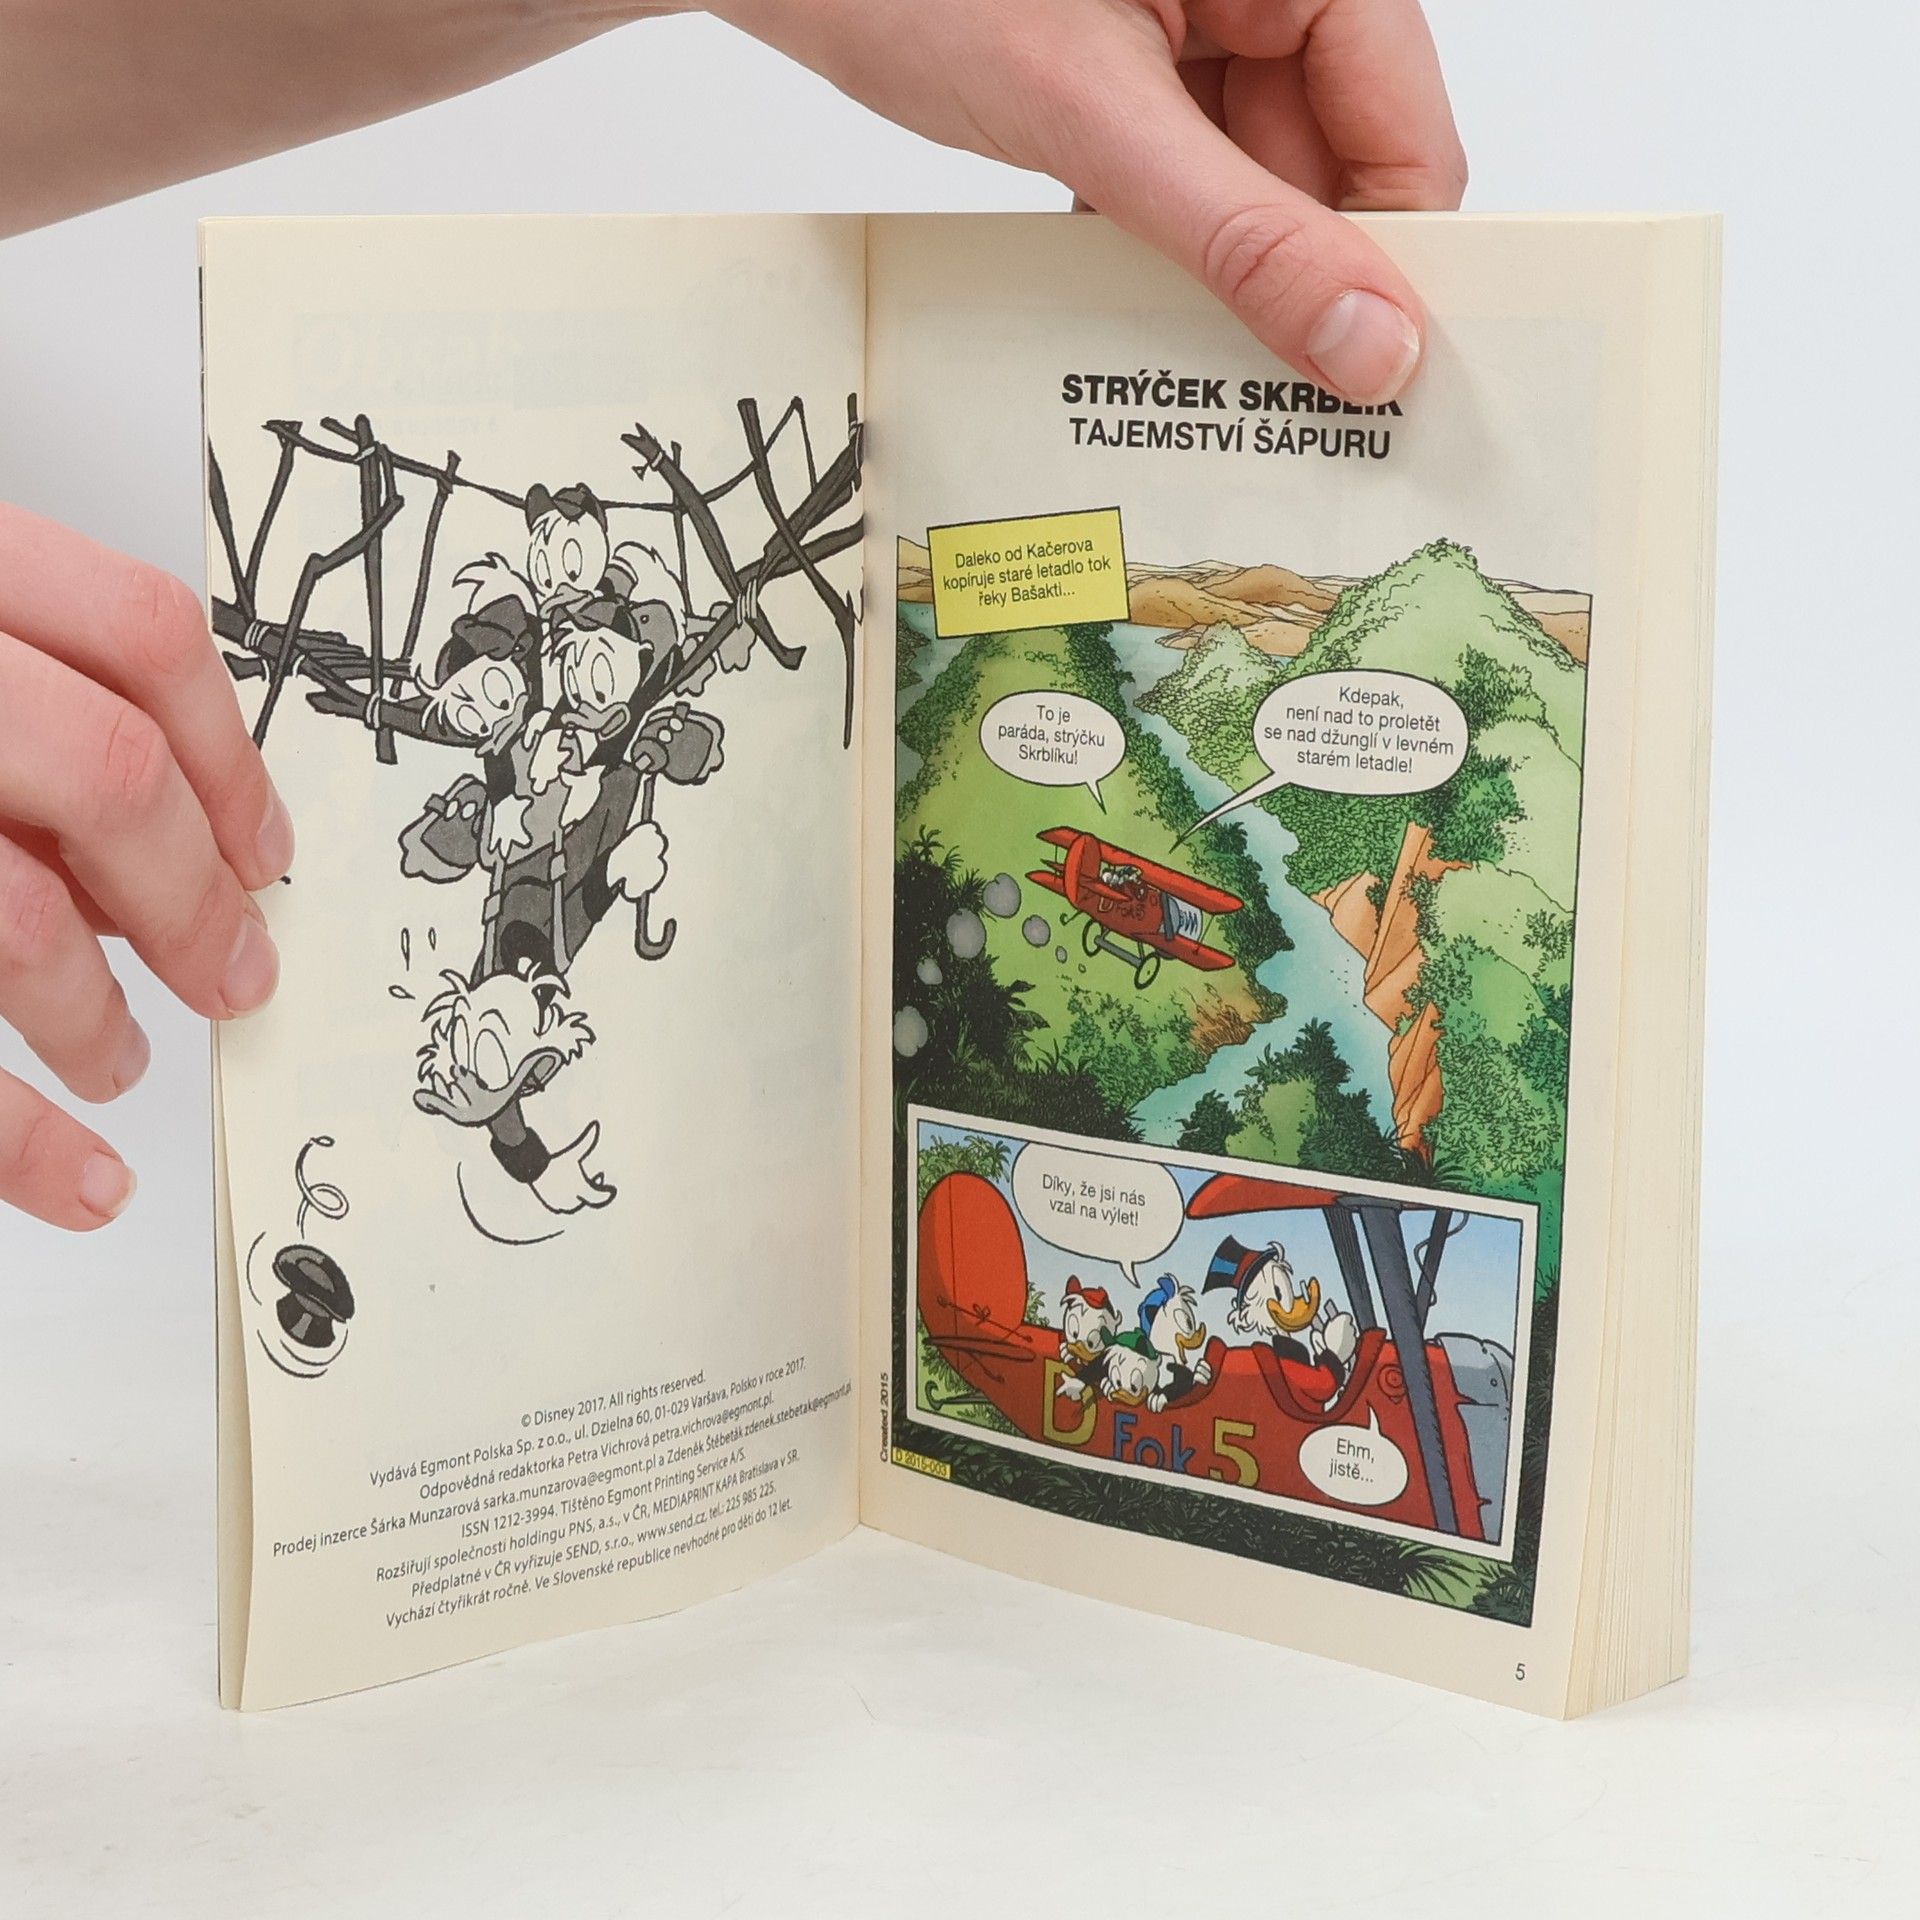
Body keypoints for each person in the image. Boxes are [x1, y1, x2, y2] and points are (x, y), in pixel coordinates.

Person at [0, 0, 1465, 1231]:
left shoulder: (574, 783)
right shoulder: (544, 840)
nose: (489, 1034)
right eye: (499, 1055)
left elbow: (597, 753)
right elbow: (532, 791)